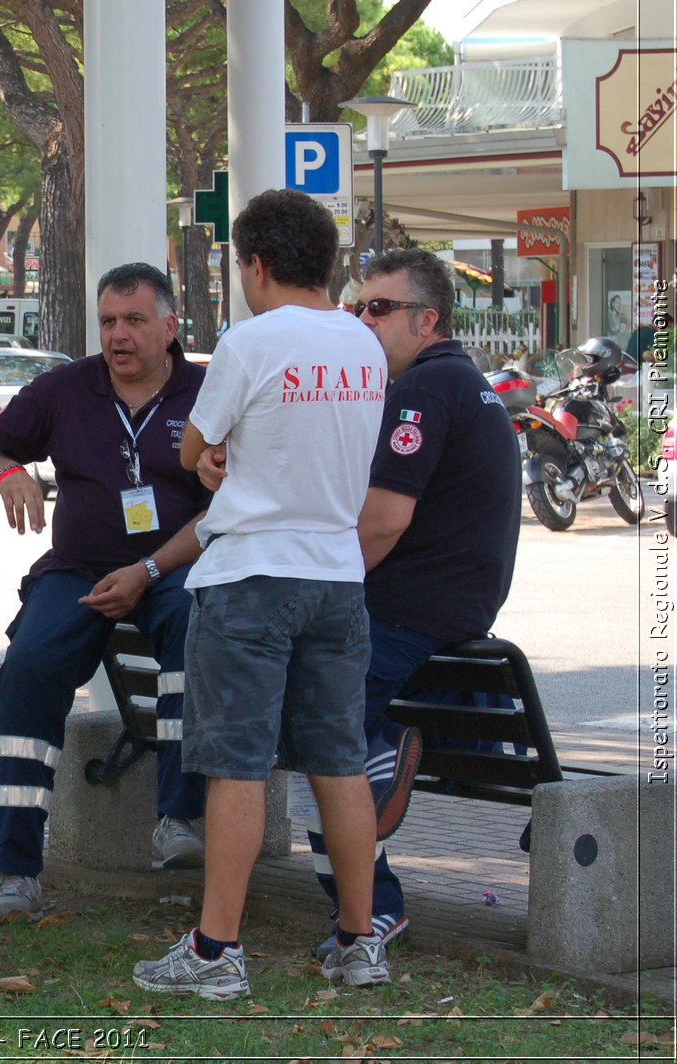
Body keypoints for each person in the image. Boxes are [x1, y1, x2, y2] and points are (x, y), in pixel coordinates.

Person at [135, 189, 387, 1000]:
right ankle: (359, 942)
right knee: (339, 764)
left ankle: (216, 953)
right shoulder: (365, 343)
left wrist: (212, 458)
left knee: (236, 767)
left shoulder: (250, 341)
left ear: (256, 264)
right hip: (338, 576)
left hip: (249, 576)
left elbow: (196, 448)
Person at [0, 263, 210, 920]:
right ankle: (14, 869)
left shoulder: (209, 393)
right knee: (27, 670)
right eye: (108, 322)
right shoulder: (65, 387)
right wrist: (9, 469)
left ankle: (178, 817)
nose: (118, 336)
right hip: (77, 569)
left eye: (135, 321)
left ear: (171, 326)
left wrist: (148, 572)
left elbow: (230, 506)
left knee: (192, 620)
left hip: (173, 568)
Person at [301, 248, 522, 957]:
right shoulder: (467, 384)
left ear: (427, 320)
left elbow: (386, 518)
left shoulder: (424, 391)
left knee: (315, 723)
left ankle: (376, 904)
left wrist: (325, 587)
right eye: (358, 306)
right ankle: (459, 755)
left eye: (378, 308)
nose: (361, 320)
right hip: (456, 619)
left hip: (406, 610)